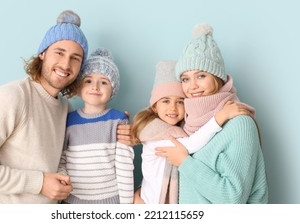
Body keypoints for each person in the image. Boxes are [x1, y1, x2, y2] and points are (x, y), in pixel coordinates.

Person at [0, 10, 131, 203]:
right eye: (59, 52)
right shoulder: (13, 97)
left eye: (75, 58)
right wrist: (39, 183)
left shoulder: (66, 110)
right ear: (42, 53)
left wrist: (127, 131)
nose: (65, 64)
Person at [156, 23, 268, 204]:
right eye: (185, 79)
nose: (192, 86)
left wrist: (185, 162)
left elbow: (233, 198)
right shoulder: (186, 125)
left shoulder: (239, 124)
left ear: (217, 77)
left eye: (201, 76)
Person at [132, 60, 252, 204]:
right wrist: (218, 118)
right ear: (154, 107)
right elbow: (190, 144)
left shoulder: (183, 127)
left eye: (180, 102)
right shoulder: (157, 132)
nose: (173, 108)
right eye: (165, 101)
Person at [57, 48, 134, 204]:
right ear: (78, 86)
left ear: (113, 89)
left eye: (104, 82)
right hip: (73, 202)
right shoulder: (68, 120)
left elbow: (124, 167)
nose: (95, 87)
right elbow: (61, 160)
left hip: (110, 203)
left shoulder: (118, 120)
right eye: (88, 80)